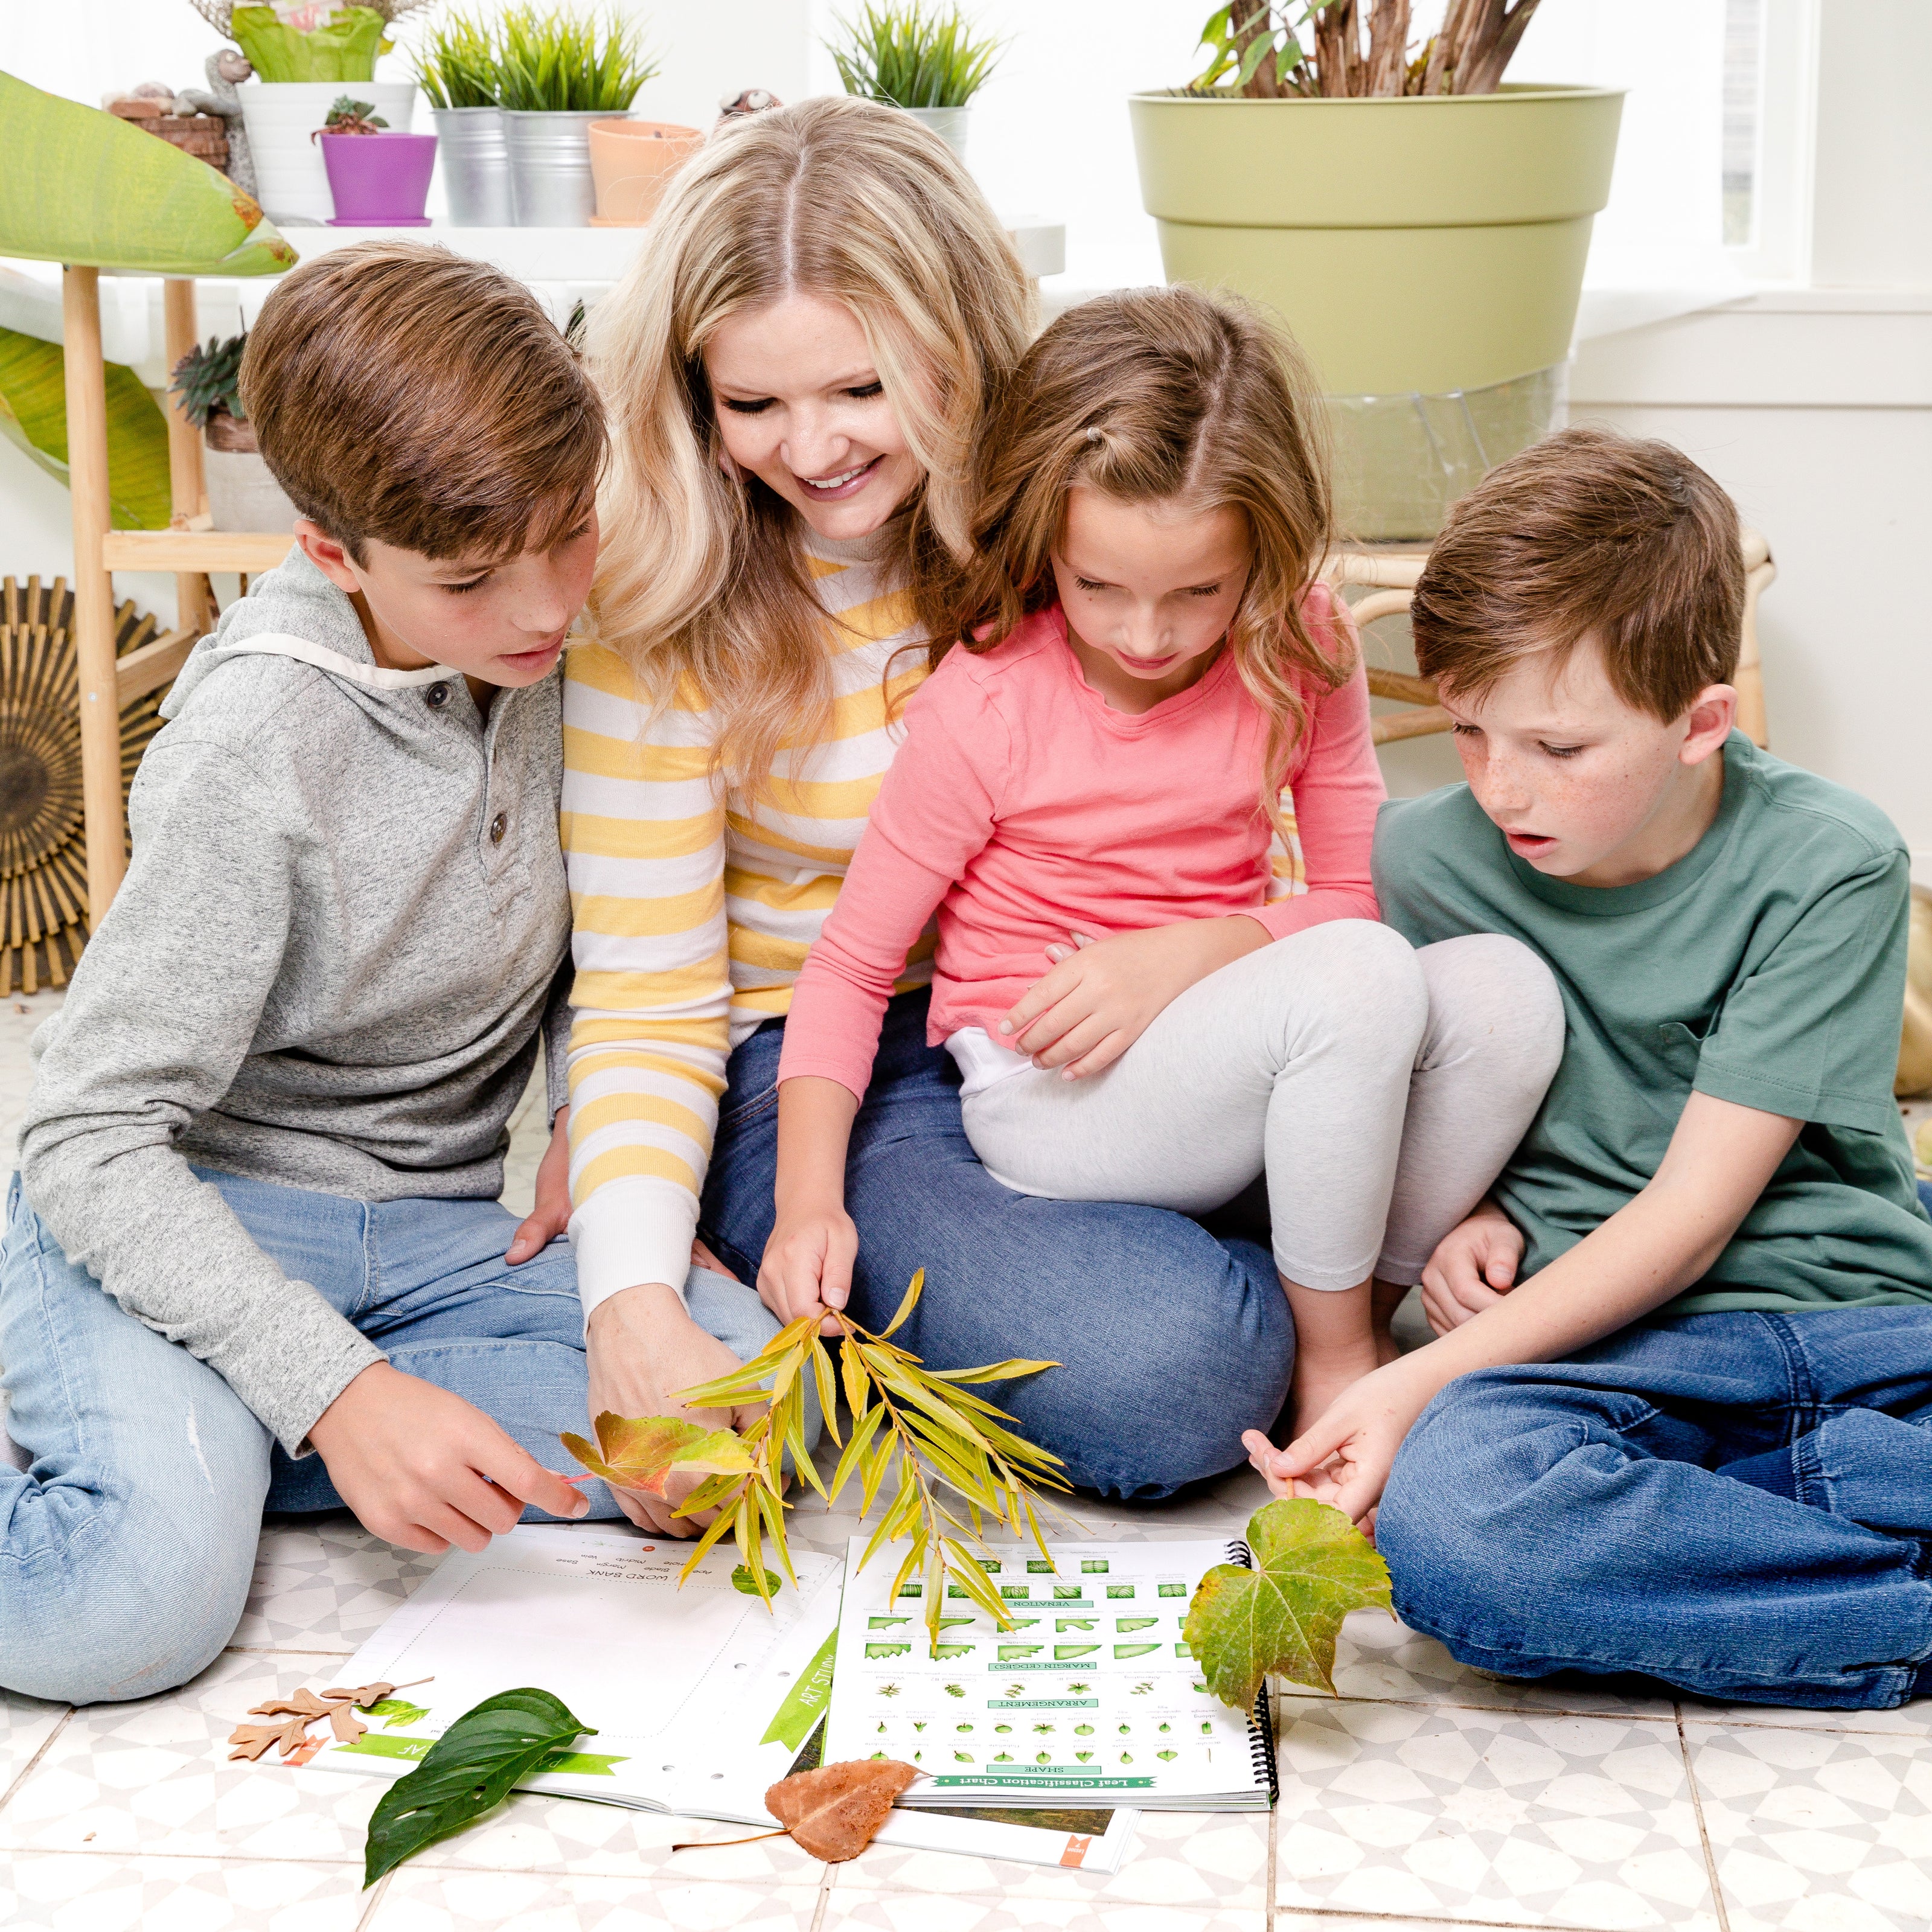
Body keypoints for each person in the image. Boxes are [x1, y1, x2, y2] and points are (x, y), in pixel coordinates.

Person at [558, 98, 1543, 1506]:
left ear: (960, 357)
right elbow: (653, 1003)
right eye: (753, 403)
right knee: (1184, 1363)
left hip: (1141, 1022)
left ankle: (1304, 1258)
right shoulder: (656, 608)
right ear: (691, 397)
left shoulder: (1096, 521)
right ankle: (1278, 1284)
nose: (815, 448)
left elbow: (1259, 846)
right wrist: (631, 1288)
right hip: (820, 1070)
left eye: (860, 387)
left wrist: (1209, 970)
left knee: (1472, 1026)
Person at [0, 242, 783, 1707]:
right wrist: (341, 1391)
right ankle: (229, 1435)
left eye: (571, 535)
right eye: (473, 579)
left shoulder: (561, 654)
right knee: (129, 1612)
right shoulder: (254, 746)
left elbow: (588, 931)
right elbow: (85, 1138)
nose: (544, 606)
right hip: (188, 1214)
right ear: (328, 546)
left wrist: (576, 1115)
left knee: (740, 1410)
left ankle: (217, 1441)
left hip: (426, 1241)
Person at [763, 286, 1564, 1439]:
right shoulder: (987, 704)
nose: (1147, 635)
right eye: (1100, 588)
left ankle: (1352, 1298)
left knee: (1506, 994)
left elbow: (1351, 897)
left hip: (1228, 1053)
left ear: (1265, 554)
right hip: (1050, 1096)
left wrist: (1180, 960)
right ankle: (1340, 1363)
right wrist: (806, 1207)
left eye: (1200, 592)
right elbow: (849, 966)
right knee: (1358, 978)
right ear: (1048, 541)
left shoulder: (1304, 645)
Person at [1250, 424, 1932, 1711]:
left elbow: (1687, 1217)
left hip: (1853, 1325)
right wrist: (1470, 1204)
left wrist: (1404, 1379)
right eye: (1465, 731)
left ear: (1701, 723)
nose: (1504, 787)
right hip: (1605, 1350)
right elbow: (1434, 1077)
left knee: (1485, 1484)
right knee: (1458, 1536)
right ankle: (1851, 1533)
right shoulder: (1423, 862)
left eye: (1559, 748)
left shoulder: (1831, 858)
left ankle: (1786, 1534)